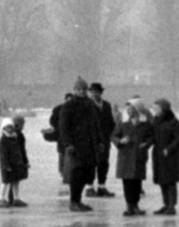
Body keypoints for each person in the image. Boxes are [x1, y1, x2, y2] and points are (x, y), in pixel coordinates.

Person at [55, 77, 102, 212]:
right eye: (79, 89)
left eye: (83, 89)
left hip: (90, 145)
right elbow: (63, 127)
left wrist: (99, 141)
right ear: (74, 90)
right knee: (76, 174)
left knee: (87, 174)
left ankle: (78, 200)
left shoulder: (90, 104)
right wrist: (68, 144)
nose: (82, 91)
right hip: (76, 146)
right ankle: (74, 201)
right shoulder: (68, 106)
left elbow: (96, 125)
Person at [112, 102, 152, 216]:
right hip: (126, 156)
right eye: (127, 109)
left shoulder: (145, 123)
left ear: (137, 110)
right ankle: (130, 206)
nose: (129, 111)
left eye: (131, 109)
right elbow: (114, 135)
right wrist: (120, 142)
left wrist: (146, 143)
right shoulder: (123, 123)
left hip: (139, 156)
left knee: (137, 183)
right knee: (127, 182)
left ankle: (136, 206)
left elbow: (151, 136)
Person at [150, 98, 179, 215]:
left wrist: (169, 149)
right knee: (162, 180)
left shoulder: (173, 121)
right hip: (158, 154)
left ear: (163, 109)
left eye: (156, 108)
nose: (154, 110)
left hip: (170, 156)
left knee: (170, 181)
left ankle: (172, 205)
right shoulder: (155, 120)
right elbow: (151, 136)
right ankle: (165, 204)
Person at [85, 82, 117, 199]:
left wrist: (110, 133)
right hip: (91, 139)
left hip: (105, 139)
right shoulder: (87, 104)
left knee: (103, 163)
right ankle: (89, 187)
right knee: (91, 163)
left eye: (96, 92)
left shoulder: (107, 105)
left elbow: (111, 121)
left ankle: (101, 186)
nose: (94, 94)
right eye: (92, 92)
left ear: (101, 92)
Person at [0, 116, 29, 208]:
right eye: (8, 127)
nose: (11, 129)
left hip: (16, 163)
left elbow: (21, 151)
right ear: (4, 128)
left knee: (16, 181)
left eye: (11, 127)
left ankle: (16, 199)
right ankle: (1, 199)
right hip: (8, 165)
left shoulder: (15, 137)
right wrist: (6, 165)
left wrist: (24, 162)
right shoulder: (3, 141)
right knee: (6, 181)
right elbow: (3, 155)